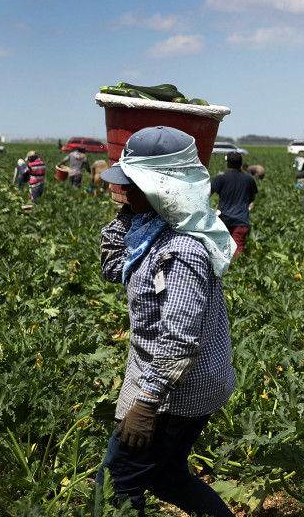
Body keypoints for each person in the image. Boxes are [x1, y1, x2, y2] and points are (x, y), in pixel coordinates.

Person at [96, 126, 237, 517]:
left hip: (174, 391)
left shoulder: (180, 249)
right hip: (177, 383)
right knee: (166, 475)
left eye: (132, 185)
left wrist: (146, 404)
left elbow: (179, 339)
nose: (123, 191)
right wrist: (125, 215)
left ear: (161, 188)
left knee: (116, 484)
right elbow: (112, 267)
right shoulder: (150, 232)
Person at [211, 151, 259, 257]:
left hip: (224, 219)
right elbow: (252, 198)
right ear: (241, 163)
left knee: (222, 247)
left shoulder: (220, 177)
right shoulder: (249, 179)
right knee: (238, 247)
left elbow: (208, 194)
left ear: (227, 163)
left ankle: (226, 271)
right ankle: (238, 270)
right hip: (241, 219)